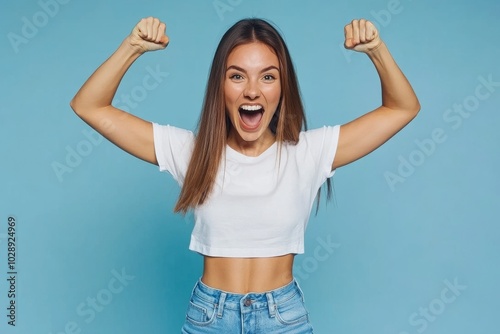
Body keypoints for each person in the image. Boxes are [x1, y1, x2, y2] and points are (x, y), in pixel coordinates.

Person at [70, 16, 419, 334]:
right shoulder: (193, 153)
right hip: (209, 318)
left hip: (283, 318)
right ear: (219, 87)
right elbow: (89, 105)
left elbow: (402, 108)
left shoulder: (310, 152)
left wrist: (376, 50)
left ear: (282, 89)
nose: (252, 90)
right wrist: (133, 47)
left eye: (268, 76)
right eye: (237, 75)